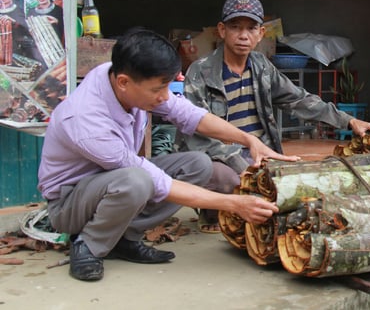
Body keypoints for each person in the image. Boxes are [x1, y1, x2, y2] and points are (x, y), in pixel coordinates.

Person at [37, 28, 300, 282]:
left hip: (110, 181)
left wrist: (249, 139)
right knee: (137, 180)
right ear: (124, 83)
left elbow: (190, 115)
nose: (165, 97)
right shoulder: (86, 119)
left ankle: (126, 238)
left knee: (197, 164)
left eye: (167, 86)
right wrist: (234, 204)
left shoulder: (119, 77)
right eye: (157, 90)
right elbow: (155, 181)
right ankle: (89, 245)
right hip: (69, 202)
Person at [176, 0, 370, 232]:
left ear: (261, 34)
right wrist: (241, 165)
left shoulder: (262, 67)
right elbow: (199, 135)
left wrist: (348, 121)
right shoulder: (200, 72)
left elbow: (298, 99)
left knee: (309, 181)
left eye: (250, 28)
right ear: (222, 31)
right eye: (235, 27)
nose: (243, 35)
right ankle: (213, 213)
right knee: (226, 177)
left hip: (260, 154)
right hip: (219, 156)